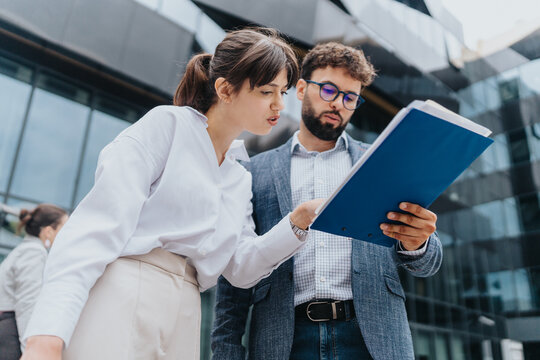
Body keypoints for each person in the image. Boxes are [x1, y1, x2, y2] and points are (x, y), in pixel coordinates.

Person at [21, 28, 322, 360]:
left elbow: (241, 267)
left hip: (187, 310)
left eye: (283, 92)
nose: (280, 104)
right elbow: (92, 232)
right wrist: (46, 336)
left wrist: (298, 222)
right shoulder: (167, 127)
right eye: (267, 91)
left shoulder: (237, 176)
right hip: (126, 290)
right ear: (225, 89)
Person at [211, 42, 443, 360]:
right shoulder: (254, 171)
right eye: (329, 90)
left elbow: (428, 264)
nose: (338, 104)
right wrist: (225, 352)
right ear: (302, 88)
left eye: (350, 98)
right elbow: (233, 281)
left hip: (371, 338)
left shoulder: (381, 163)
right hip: (285, 341)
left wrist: (417, 243)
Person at [0, 204, 68, 360]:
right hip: (12, 331)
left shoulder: (26, 249)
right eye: (64, 228)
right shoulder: (34, 252)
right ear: (48, 231)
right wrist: (30, 350)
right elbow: (27, 304)